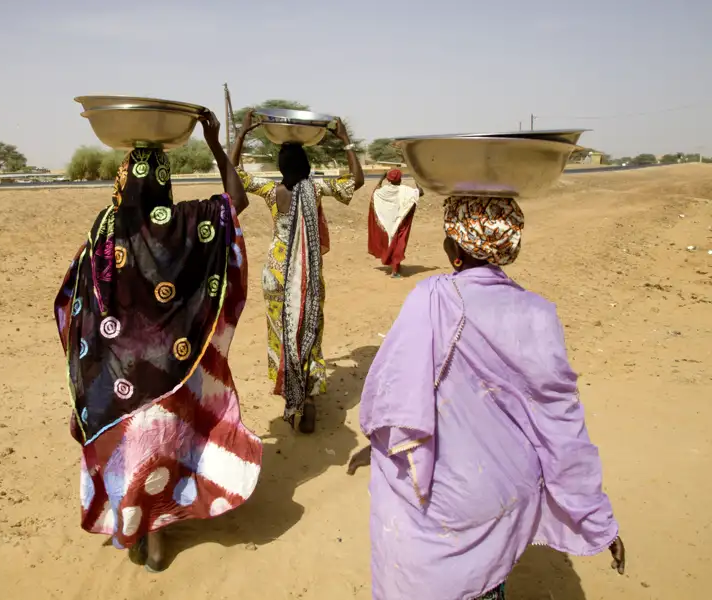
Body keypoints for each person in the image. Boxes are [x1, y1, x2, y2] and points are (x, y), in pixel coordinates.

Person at [347, 195, 625, 599]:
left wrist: (375, 443)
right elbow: (562, 426)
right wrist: (597, 517)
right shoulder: (537, 313)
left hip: (441, 496)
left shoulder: (429, 298)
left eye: (447, 237)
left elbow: (391, 397)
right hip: (504, 493)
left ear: (455, 252)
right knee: (487, 583)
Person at [54, 112, 262, 573]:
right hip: (168, 370)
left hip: (114, 372)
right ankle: (158, 533)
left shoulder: (104, 227)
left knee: (127, 450)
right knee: (158, 449)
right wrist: (216, 138)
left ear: (121, 180)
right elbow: (236, 200)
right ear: (165, 183)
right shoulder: (185, 223)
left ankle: (135, 529)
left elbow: (78, 293)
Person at [229, 110, 365, 434]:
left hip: (276, 276)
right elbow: (356, 181)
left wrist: (243, 133)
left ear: (280, 168)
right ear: (306, 167)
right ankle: (309, 400)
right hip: (307, 278)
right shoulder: (314, 190)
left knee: (282, 337)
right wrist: (345, 140)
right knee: (308, 336)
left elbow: (234, 173)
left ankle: (292, 397)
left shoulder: (270, 190)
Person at [367, 168, 423, 278]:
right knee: (398, 244)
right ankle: (395, 271)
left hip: (388, 224)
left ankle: (395, 266)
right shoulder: (405, 190)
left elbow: (375, 192)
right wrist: (416, 178)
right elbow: (420, 192)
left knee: (391, 242)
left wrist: (381, 179)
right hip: (400, 222)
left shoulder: (383, 191)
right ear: (400, 179)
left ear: (388, 179)